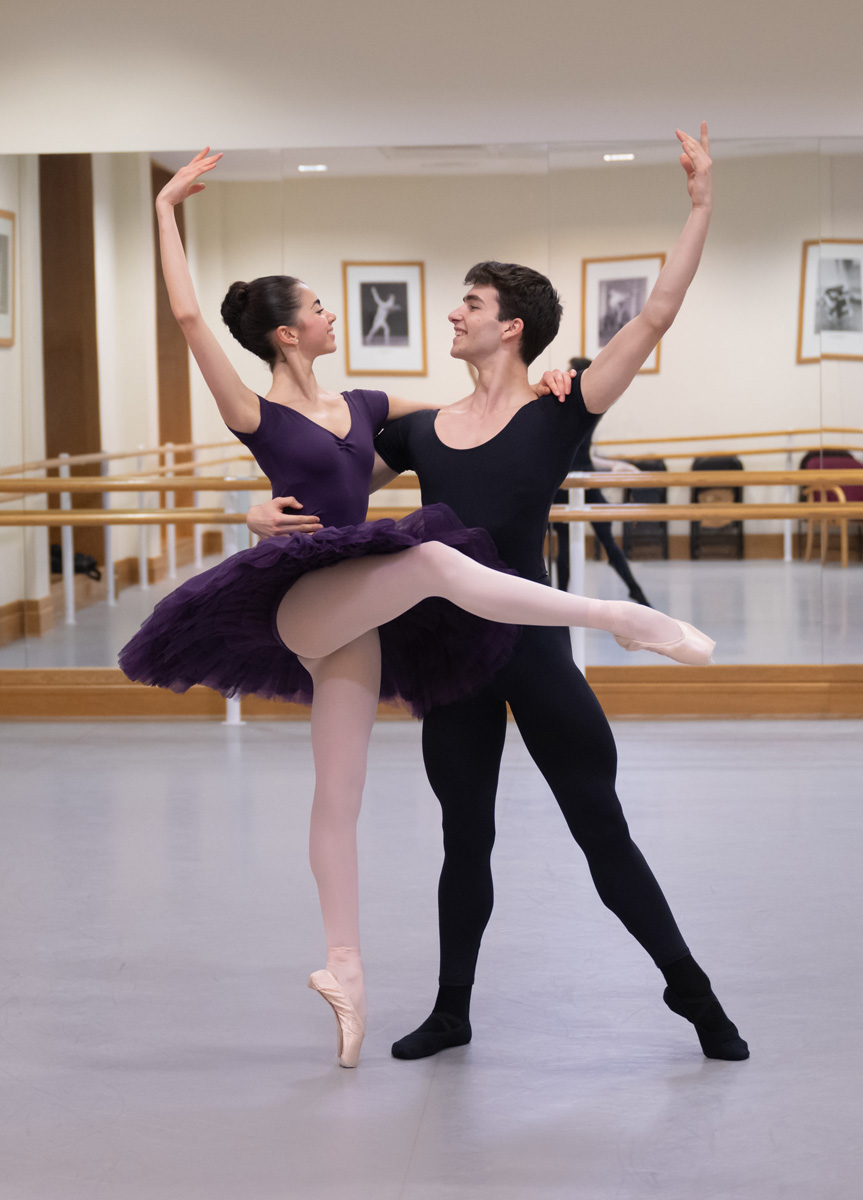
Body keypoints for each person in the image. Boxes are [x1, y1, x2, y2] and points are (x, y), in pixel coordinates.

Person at [124, 147, 714, 1071]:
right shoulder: (414, 429)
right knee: (461, 839)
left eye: (470, 305)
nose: (452, 313)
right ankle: (450, 1012)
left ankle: (693, 993)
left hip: (537, 654)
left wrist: (699, 203)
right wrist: (249, 510)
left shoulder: (561, 413)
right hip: (451, 659)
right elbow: (322, 477)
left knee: (601, 831)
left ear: (511, 328)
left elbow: (658, 314)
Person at [552, 356, 651, 605]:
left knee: (567, 542)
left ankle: (560, 599)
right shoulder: (594, 408)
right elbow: (583, 456)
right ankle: (635, 590)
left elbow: (581, 455)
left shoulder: (559, 404)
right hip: (582, 480)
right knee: (604, 540)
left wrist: (617, 465)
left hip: (568, 480)